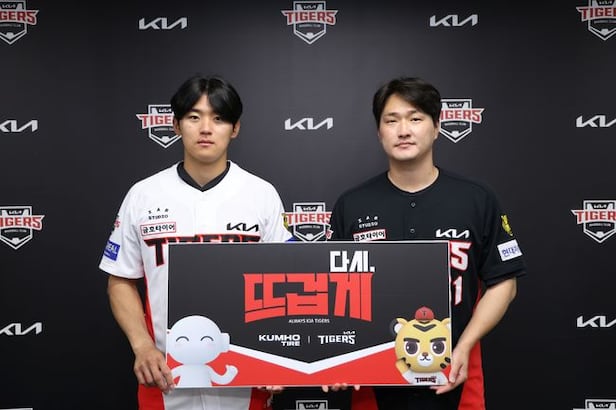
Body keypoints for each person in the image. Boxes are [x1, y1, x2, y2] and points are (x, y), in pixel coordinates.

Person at [324, 77, 526, 409]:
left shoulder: (476, 198)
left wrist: (465, 345)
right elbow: (332, 292)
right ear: (379, 132)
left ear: (437, 127)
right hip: (374, 379)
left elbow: (504, 282)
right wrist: (338, 357)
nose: (403, 130)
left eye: (415, 118)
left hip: (454, 370)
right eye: (392, 120)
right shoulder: (352, 205)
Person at [99, 74, 292, 410]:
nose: (205, 128)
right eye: (193, 117)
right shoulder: (143, 195)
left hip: (245, 377)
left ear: (235, 128)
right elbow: (120, 279)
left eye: (218, 118)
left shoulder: (261, 195)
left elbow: (286, 280)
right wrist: (142, 346)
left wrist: (276, 355)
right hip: (165, 376)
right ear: (176, 125)